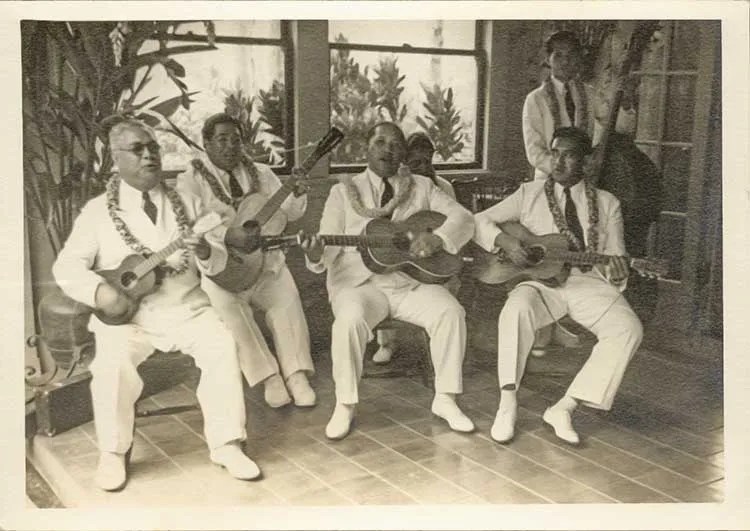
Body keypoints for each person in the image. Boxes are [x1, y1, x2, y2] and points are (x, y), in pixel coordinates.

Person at [52, 118, 261, 491]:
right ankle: (114, 452)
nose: (149, 154)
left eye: (153, 147)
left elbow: (216, 261)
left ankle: (227, 443)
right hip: (128, 319)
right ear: (115, 159)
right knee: (112, 363)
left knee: (222, 346)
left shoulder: (189, 201)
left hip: (186, 308)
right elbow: (66, 266)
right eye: (137, 149)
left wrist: (204, 251)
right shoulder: (98, 212)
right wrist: (101, 293)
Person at [301, 122, 475, 440]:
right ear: (367, 148)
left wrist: (440, 240)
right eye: (380, 141)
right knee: (349, 322)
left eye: (395, 144)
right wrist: (314, 253)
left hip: (408, 282)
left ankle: (446, 398)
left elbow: (464, 218)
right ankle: (345, 404)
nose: (387, 149)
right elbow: (326, 252)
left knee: (451, 312)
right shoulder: (343, 192)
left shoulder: (421, 186)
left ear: (403, 153)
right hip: (359, 285)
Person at [473, 127, 643, 445]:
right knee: (516, 309)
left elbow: (616, 257)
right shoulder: (530, 193)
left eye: (568, 154)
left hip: (588, 282)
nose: (559, 161)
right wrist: (507, 242)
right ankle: (507, 404)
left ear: (586, 161)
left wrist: (619, 271)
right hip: (541, 284)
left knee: (629, 329)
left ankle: (565, 407)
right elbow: (478, 220)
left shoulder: (607, 204)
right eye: (554, 153)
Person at [178, 113, 316, 408]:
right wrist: (228, 235)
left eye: (236, 140)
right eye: (222, 140)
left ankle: (296, 375)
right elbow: (193, 221)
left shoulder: (262, 173)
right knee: (230, 311)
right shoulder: (189, 180)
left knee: (286, 299)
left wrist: (297, 193)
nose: (230, 146)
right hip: (221, 266)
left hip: (264, 262)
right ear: (206, 143)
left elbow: (289, 213)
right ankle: (270, 377)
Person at [372, 132, 457, 365]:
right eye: (416, 163)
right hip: (404, 257)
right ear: (404, 162)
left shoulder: (444, 187)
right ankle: (387, 343)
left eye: (428, 162)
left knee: (448, 282)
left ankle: (438, 340)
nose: (423, 167)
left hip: (435, 256)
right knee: (389, 272)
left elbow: (454, 223)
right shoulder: (396, 188)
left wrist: (438, 239)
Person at [523, 30, 636, 181]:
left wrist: (625, 104)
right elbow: (535, 152)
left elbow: (620, 127)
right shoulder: (536, 99)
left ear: (578, 59)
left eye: (570, 55)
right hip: (549, 178)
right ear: (548, 59)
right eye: (558, 55)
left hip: (585, 177)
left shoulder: (589, 94)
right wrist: (565, 169)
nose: (565, 62)